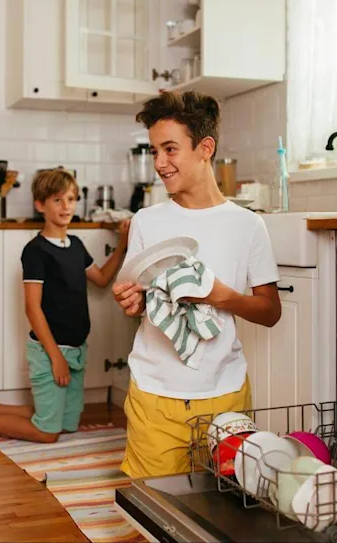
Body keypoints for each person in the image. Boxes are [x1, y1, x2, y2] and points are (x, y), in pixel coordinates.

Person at [112, 90, 282, 478]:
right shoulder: (146, 222)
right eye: (155, 151)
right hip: (154, 392)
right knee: (153, 506)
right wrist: (133, 303)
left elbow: (271, 312)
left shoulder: (247, 225)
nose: (159, 163)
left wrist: (223, 297)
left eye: (170, 149)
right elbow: (137, 304)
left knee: (227, 507)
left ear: (205, 148)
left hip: (225, 393)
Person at [0, 168, 129, 442]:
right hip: (49, 351)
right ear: (41, 205)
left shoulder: (75, 245)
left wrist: (122, 245)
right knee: (48, 433)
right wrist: (56, 358)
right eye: (58, 200)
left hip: (76, 351)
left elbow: (100, 278)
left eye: (71, 199)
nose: (66, 207)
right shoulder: (36, 251)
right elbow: (32, 308)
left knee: (67, 424)